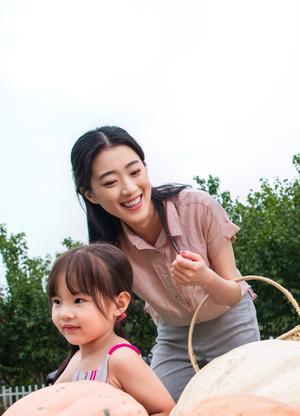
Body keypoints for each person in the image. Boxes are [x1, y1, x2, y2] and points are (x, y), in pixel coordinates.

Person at [69, 126, 260, 402]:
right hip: (174, 337)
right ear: (90, 194)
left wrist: (204, 277)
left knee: (245, 408)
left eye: (135, 172)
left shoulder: (198, 207)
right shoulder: (108, 252)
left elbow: (232, 295)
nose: (129, 189)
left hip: (231, 322)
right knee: (159, 410)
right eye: (110, 182)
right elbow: (98, 322)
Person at [49, 243, 175, 416]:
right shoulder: (77, 358)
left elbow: (166, 412)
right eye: (57, 301)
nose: (65, 313)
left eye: (78, 300)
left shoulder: (120, 358)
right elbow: (51, 410)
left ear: (119, 304)